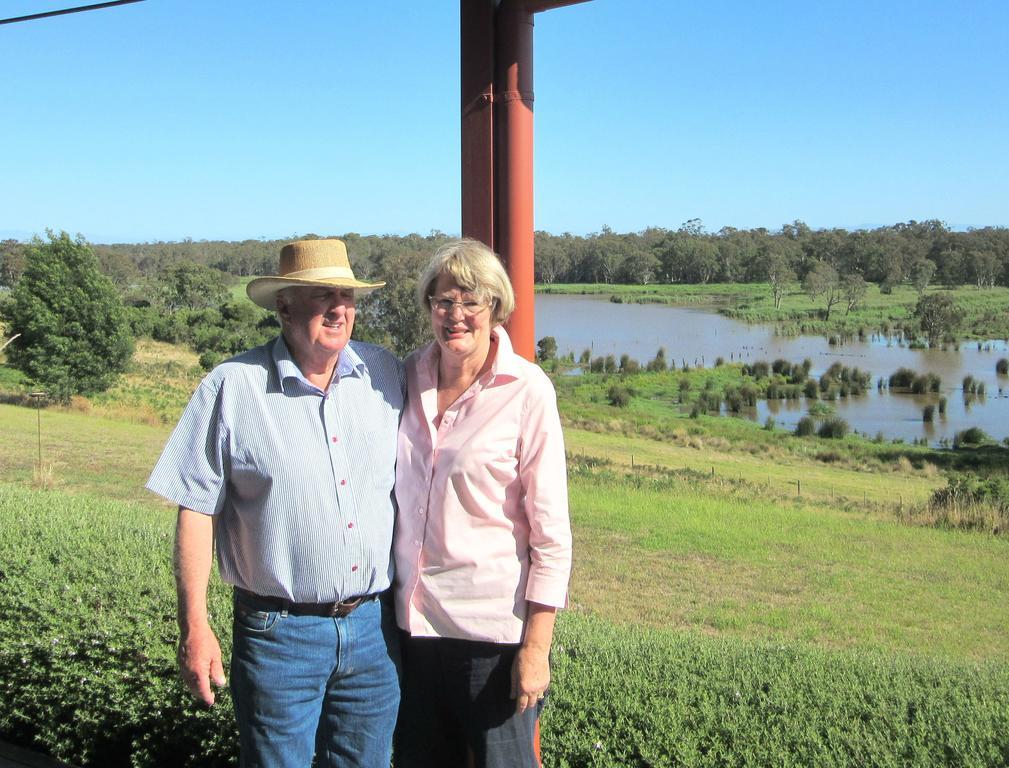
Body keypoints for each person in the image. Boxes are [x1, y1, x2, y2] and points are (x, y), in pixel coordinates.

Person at [147, 238, 404, 768]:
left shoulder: (386, 374)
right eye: (320, 294)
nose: (338, 307)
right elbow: (195, 507)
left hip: (373, 633)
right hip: (278, 637)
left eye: (346, 295)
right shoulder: (231, 387)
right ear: (283, 305)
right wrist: (194, 626)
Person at [393, 238, 573, 767]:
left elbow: (551, 533)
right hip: (414, 632)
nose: (456, 316)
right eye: (443, 301)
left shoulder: (527, 390)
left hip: (492, 641)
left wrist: (536, 648)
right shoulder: (408, 376)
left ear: (495, 307)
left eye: (471, 302)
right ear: (428, 307)